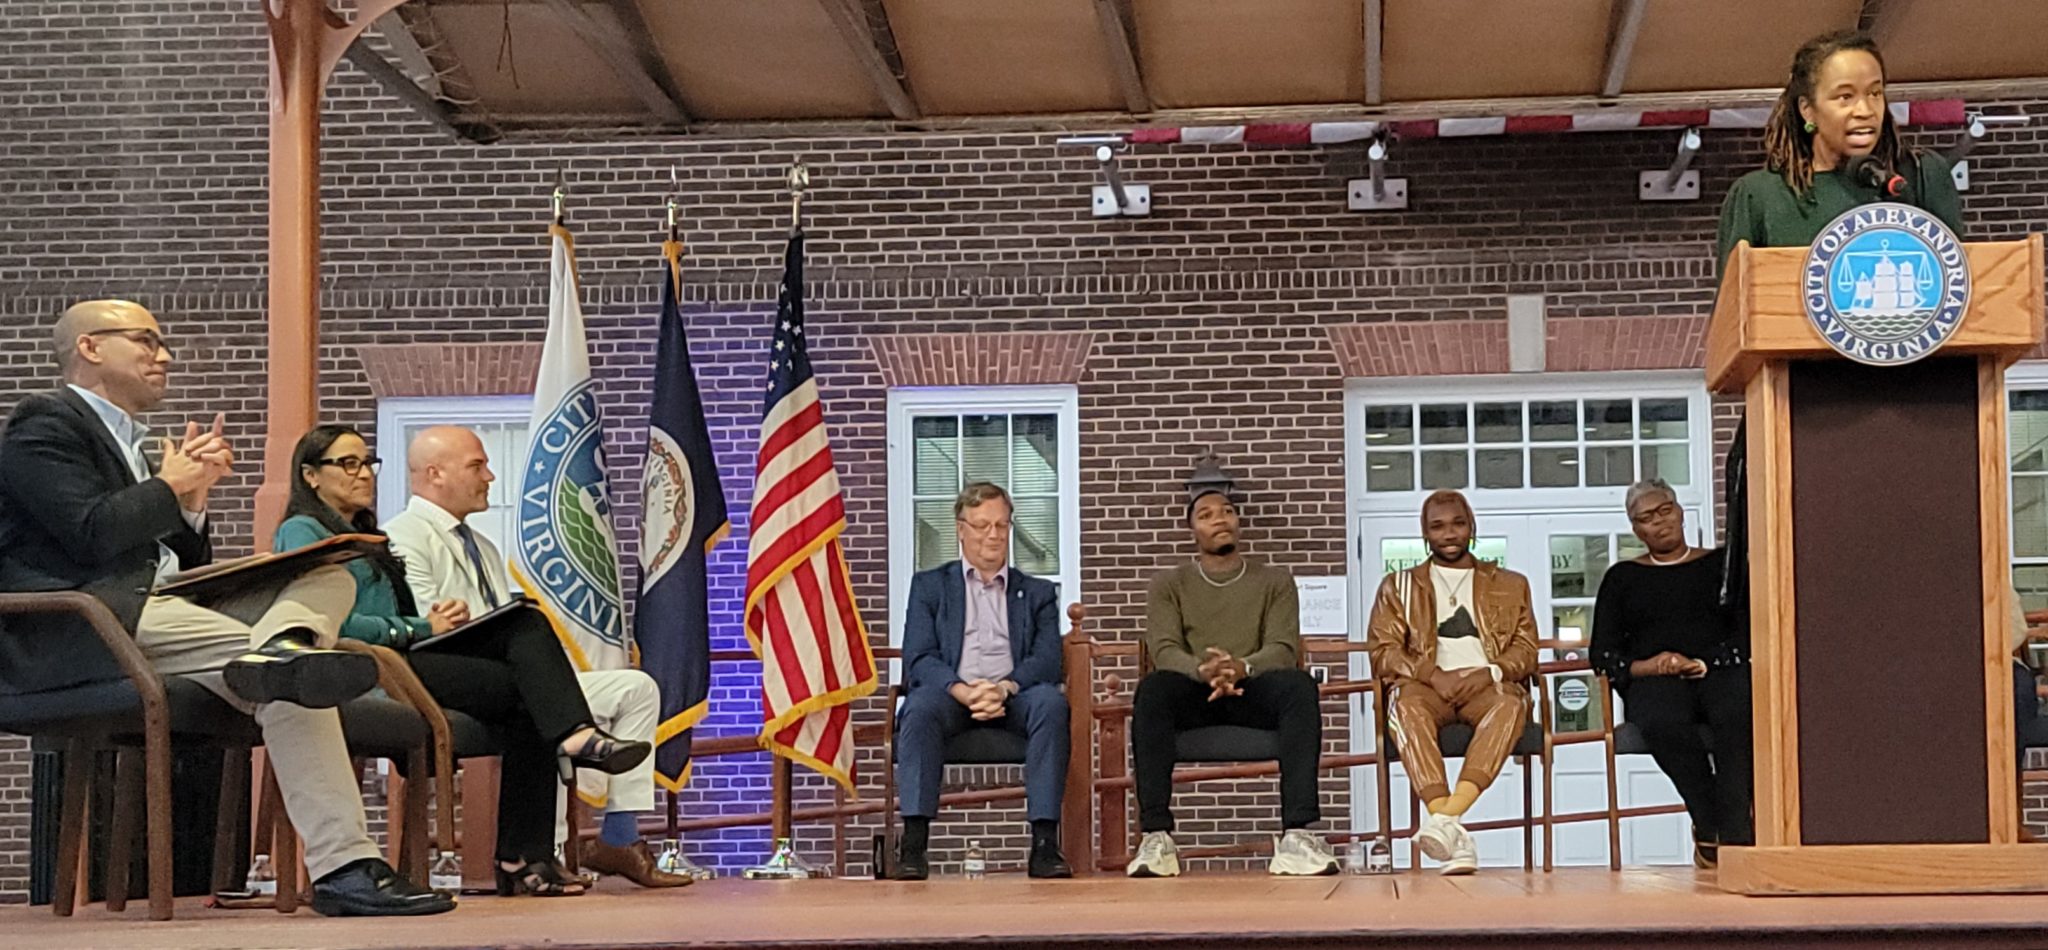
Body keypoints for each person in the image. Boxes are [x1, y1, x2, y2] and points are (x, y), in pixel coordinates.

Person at [0, 300, 452, 916]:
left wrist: (192, 502)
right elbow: (89, 534)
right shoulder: (44, 425)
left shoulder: (139, 443)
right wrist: (170, 487)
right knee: (293, 678)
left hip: (162, 607)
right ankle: (345, 866)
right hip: (87, 622)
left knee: (328, 572)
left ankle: (282, 647)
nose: (164, 356)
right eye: (146, 341)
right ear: (91, 348)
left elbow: (173, 560)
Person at [275, 423, 651, 897]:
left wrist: (424, 619)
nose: (364, 473)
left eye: (368, 462)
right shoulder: (302, 531)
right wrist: (417, 628)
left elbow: (399, 612)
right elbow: (327, 623)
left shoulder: (366, 535)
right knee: (524, 632)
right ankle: (576, 741)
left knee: (529, 692)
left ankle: (524, 858)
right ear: (310, 475)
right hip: (371, 667)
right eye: (347, 464)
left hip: (406, 656)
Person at [1715, 29, 1965, 616]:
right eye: (1845, 95)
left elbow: (1963, 298)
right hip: (1802, 431)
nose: (1865, 110)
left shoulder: (1919, 183)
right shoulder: (1762, 197)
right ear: (1807, 109)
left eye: (1875, 94)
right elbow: (1731, 328)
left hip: (1914, 425)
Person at [381, 426, 689, 888]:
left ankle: (614, 836)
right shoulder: (401, 536)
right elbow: (432, 626)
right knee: (528, 640)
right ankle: (536, 839)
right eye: (476, 466)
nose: (490, 476)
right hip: (440, 669)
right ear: (435, 473)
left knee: (635, 687)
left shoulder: (481, 544)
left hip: (501, 670)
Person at [1126, 487, 1336, 878]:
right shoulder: (1168, 583)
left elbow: (1282, 647)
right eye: (1206, 515)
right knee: (1153, 690)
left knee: (1299, 686)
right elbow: (1165, 648)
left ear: (1238, 522)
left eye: (1226, 512)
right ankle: (1156, 837)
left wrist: (1240, 667)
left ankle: (1297, 834)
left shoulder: (1275, 580)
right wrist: (1203, 671)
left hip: (1252, 686)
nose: (1219, 519)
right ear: (1192, 529)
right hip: (1194, 688)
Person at [893, 482, 1073, 881]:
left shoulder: (1038, 592)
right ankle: (914, 844)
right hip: (952, 696)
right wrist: (963, 690)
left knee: (1052, 704)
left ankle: (1044, 844)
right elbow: (919, 656)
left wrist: (1004, 688)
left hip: (1014, 696)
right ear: (960, 529)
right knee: (918, 707)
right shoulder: (930, 587)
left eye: (1001, 525)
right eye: (981, 526)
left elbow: (1046, 660)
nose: (992, 535)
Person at [1366, 490, 1537, 876]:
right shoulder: (1398, 586)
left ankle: (1445, 821)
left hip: (1487, 686)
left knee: (1512, 705)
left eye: (1458, 523)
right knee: (1402, 706)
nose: (1449, 534)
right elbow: (1382, 652)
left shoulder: (1511, 584)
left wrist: (1487, 672)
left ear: (1472, 526)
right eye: (1437, 526)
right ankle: (1451, 827)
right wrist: (1430, 674)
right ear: (1424, 534)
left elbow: (1526, 649)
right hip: (1426, 688)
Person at [1590, 479, 1752, 868]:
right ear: (1635, 529)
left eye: (1664, 511)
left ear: (1680, 511)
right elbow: (1604, 653)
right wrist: (1653, 665)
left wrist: (1705, 664)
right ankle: (1710, 822)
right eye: (1646, 518)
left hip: (1716, 671)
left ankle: (1736, 835)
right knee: (1662, 721)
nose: (1659, 522)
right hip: (1653, 679)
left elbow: (1745, 630)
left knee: (1737, 713)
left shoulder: (1720, 564)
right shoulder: (1622, 578)